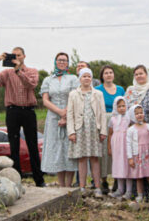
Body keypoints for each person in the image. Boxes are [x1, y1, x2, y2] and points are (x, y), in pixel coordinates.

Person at [0, 47, 45, 187]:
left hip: (28, 111)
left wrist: (19, 70)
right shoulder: (7, 73)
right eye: (14, 55)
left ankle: (39, 180)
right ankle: (17, 179)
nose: (16, 58)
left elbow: (31, 84)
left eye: (18, 55)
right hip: (13, 111)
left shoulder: (32, 71)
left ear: (24, 56)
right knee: (14, 146)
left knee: (32, 145)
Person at [39, 52, 79, 186]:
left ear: (68, 63)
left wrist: (66, 114)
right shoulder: (48, 80)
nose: (62, 62)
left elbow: (75, 96)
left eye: (64, 60)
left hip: (70, 115)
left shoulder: (73, 78)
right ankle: (61, 184)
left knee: (69, 149)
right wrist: (59, 112)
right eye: (59, 60)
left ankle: (69, 184)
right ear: (55, 62)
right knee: (57, 149)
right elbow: (45, 100)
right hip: (53, 117)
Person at [67, 68, 107, 197]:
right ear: (80, 78)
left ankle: (97, 187)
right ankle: (82, 187)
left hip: (94, 129)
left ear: (92, 78)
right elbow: (70, 114)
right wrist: (71, 132)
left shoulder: (98, 94)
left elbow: (102, 113)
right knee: (82, 159)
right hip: (80, 129)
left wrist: (103, 131)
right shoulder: (73, 94)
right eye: (84, 76)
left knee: (95, 159)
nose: (86, 79)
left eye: (89, 76)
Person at [125, 65, 149, 176]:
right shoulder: (130, 90)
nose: (139, 76)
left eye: (141, 73)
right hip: (135, 133)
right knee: (137, 158)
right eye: (136, 74)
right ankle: (139, 191)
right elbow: (126, 111)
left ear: (146, 75)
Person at [95, 65, 125, 192]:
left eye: (110, 72)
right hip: (103, 120)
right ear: (102, 76)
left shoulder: (120, 89)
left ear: (113, 75)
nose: (108, 75)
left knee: (117, 150)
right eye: (106, 73)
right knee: (103, 152)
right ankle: (103, 181)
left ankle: (118, 180)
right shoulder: (97, 89)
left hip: (118, 121)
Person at [126, 104, 149, 206]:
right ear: (132, 115)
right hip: (138, 155)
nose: (139, 115)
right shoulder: (131, 129)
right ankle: (140, 196)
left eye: (141, 113)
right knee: (139, 177)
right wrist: (130, 158)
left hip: (148, 155)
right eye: (136, 113)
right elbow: (128, 144)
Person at [108, 97, 133, 199]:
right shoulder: (113, 119)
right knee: (118, 165)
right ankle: (120, 189)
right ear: (115, 107)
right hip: (117, 146)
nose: (122, 108)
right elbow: (110, 134)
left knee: (127, 166)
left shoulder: (129, 119)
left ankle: (129, 191)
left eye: (123, 106)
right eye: (119, 106)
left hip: (126, 145)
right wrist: (109, 147)